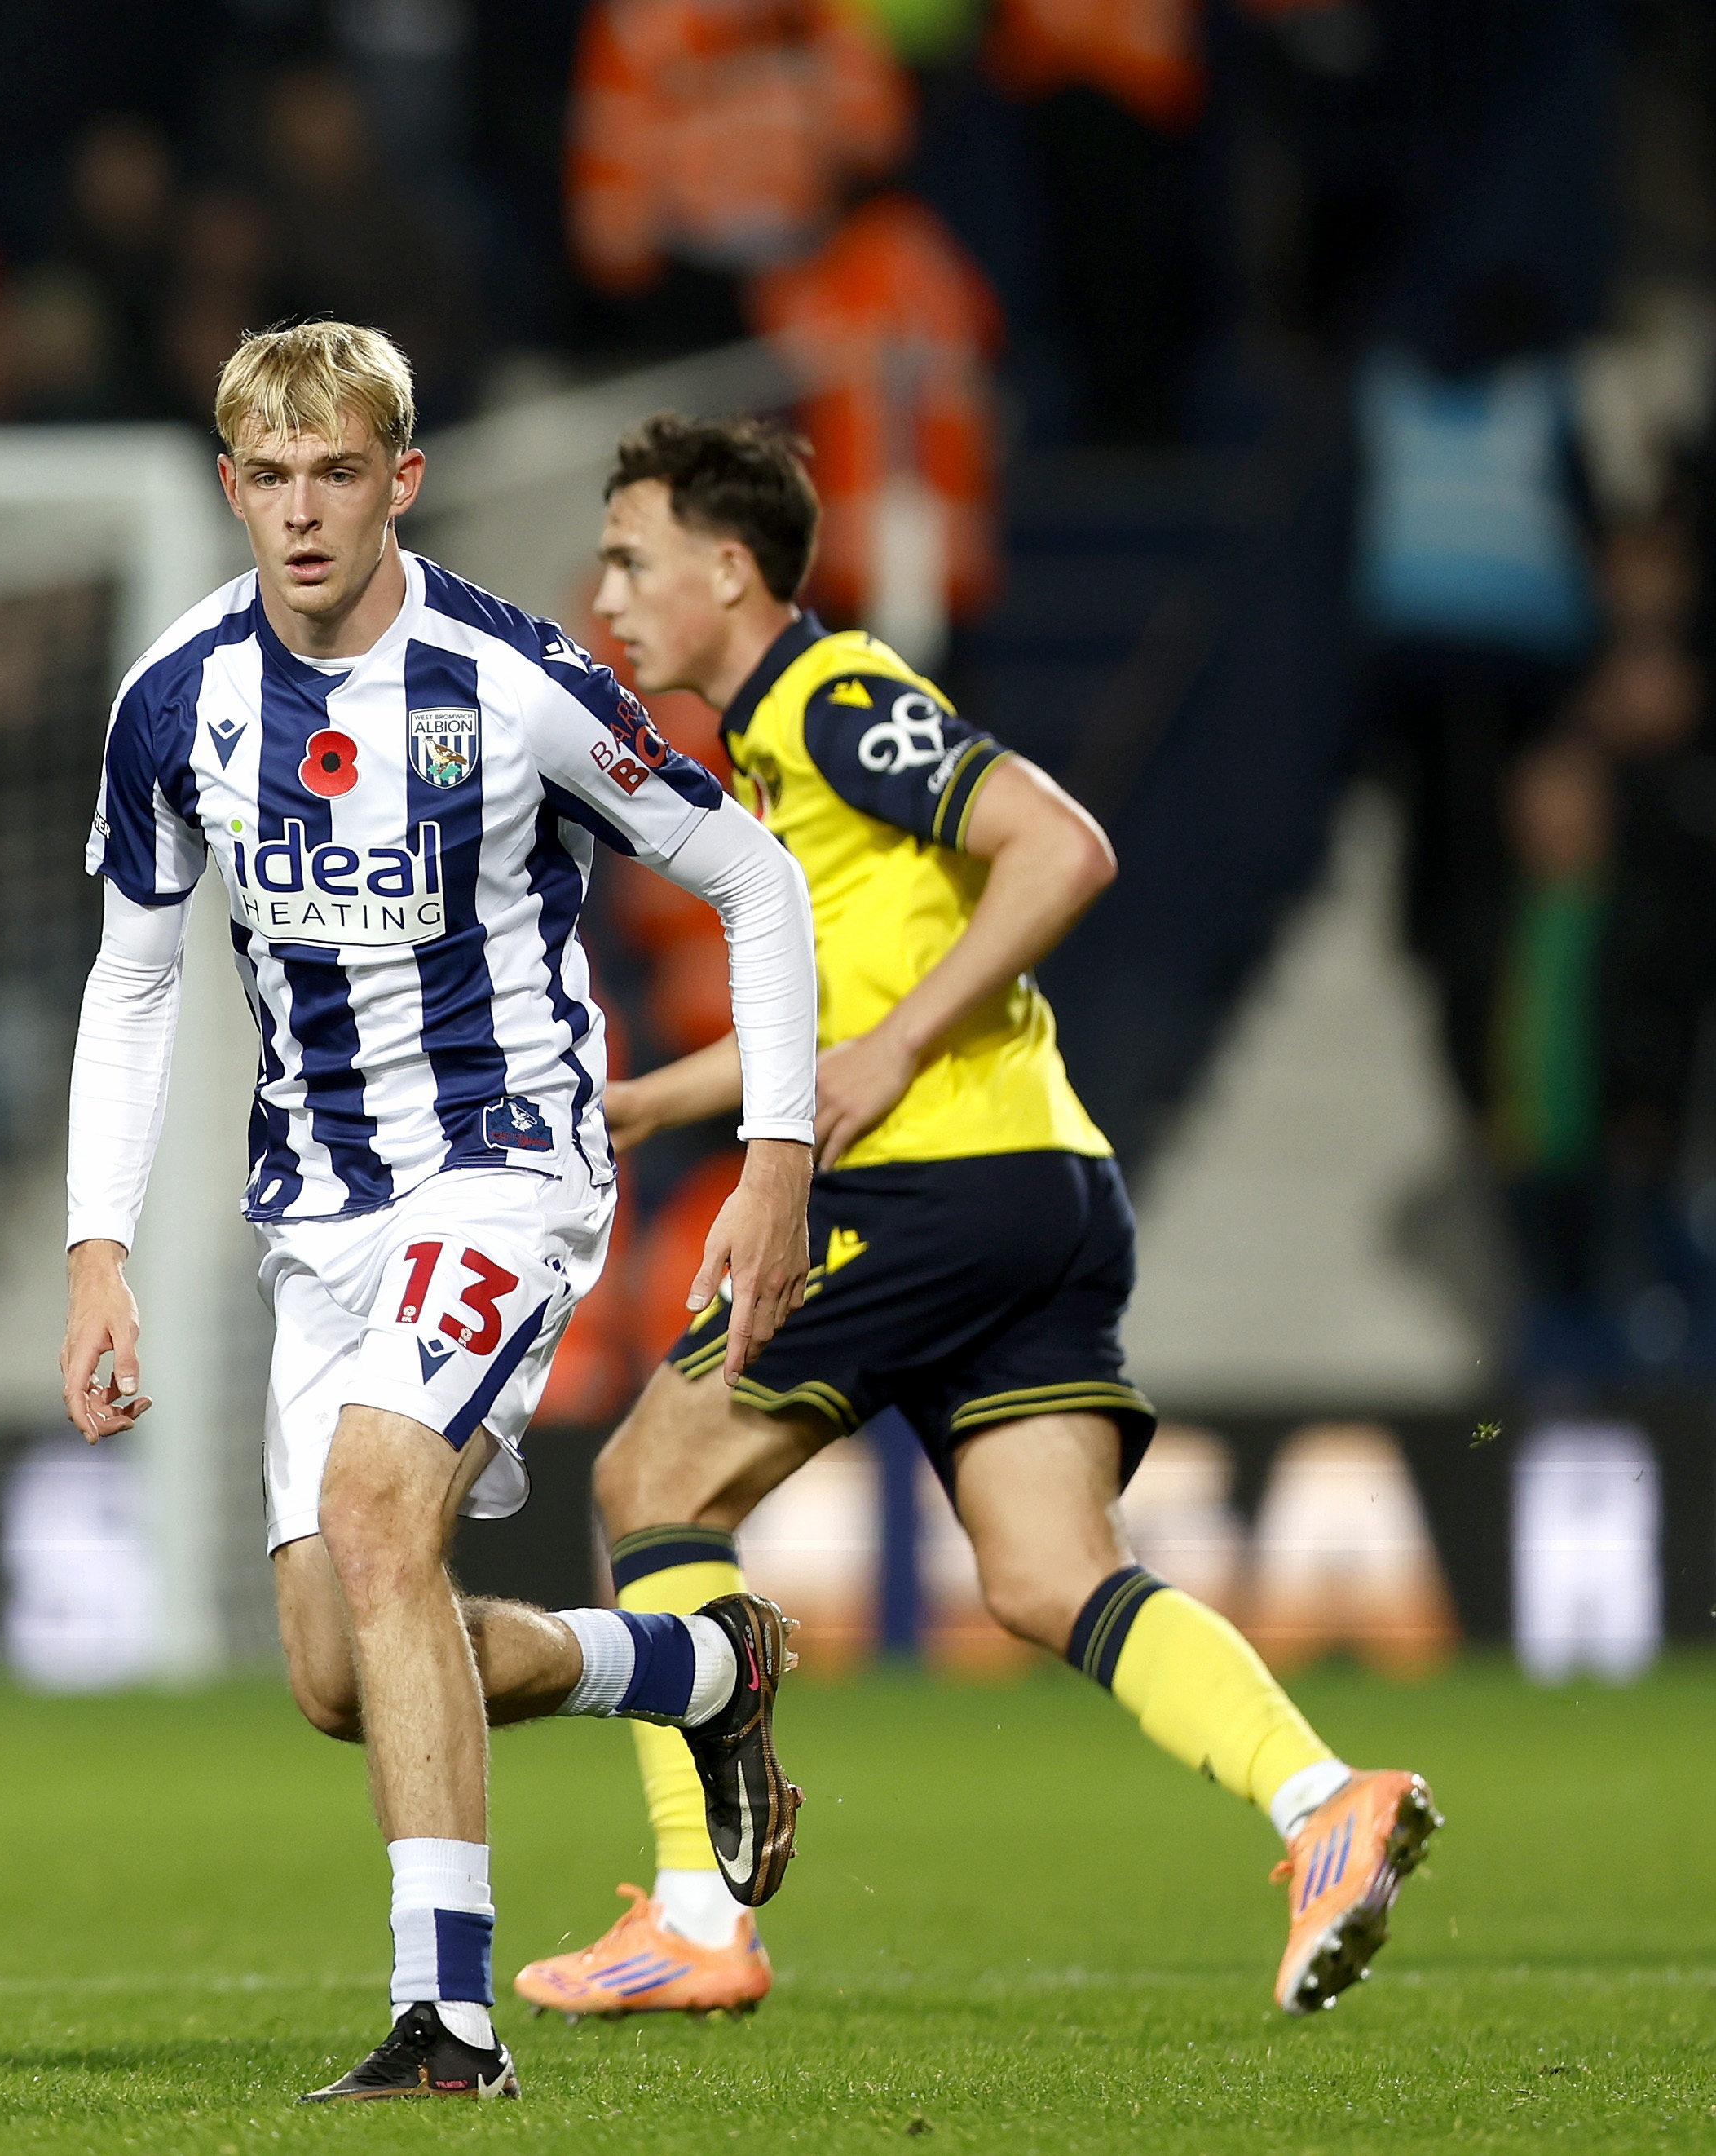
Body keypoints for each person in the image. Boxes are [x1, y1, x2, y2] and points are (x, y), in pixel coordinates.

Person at [508, 413, 1439, 2026]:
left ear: (730, 571)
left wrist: (889, 1048)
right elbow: (846, 998)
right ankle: (1323, 1803)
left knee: (654, 1477)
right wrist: (646, 1103)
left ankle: (693, 1912)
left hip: (931, 1187)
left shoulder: (831, 697)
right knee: (1050, 1569)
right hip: (1040, 1186)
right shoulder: (772, 756)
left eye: (632, 557)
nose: (606, 593)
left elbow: (1059, 847)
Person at [56, 322, 823, 2104]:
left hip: (503, 1162)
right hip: (312, 1212)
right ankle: (700, 1667)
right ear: (229, 484)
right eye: (272, 476)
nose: (305, 513)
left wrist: (774, 1158)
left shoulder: (515, 679)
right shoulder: (176, 699)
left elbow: (753, 874)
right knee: (344, 1667)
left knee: (379, 1508)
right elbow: (137, 977)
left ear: (403, 479)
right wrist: (100, 1248)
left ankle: (447, 2021)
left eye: (342, 473)